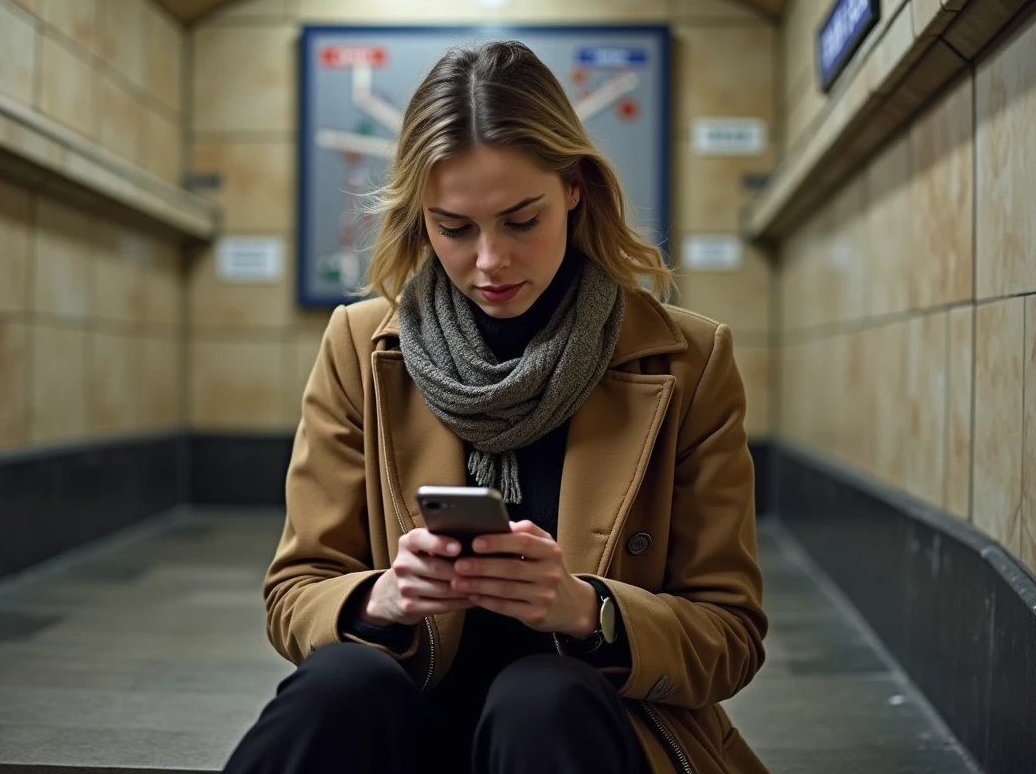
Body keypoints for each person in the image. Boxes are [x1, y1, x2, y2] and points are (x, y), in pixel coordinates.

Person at [222, 40, 769, 774]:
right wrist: (380, 600)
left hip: (582, 731)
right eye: (454, 228)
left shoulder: (689, 360)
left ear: (574, 188)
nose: (490, 262)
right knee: (337, 687)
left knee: (540, 697)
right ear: (422, 218)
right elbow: (295, 593)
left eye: (520, 220)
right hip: (408, 716)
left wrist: (589, 611)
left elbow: (731, 634)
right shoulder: (359, 344)